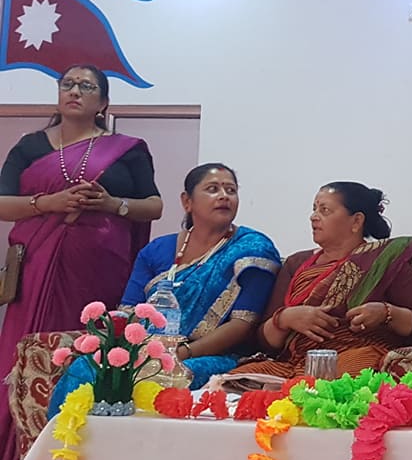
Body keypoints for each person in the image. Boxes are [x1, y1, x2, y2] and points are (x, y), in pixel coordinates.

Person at [0, 65, 163, 460]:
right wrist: (48, 203)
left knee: (90, 352)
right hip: (37, 271)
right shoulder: (29, 146)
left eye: (86, 86)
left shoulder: (127, 150)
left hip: (100, 272)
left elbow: (153, 206)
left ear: (103, 102)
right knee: (28, 353)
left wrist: (111, 205)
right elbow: (2, 204)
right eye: (68, 84)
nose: (74, 91)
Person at [46, 163, 282, 413]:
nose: (224, 196)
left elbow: (242, 325)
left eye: (231, 190)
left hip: (211, 357)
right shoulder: (156, 250)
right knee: (86, 368)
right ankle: (70, 436)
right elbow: (129, 313)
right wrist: (128, 351)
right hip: (148, 351)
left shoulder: (251, 249)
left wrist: (181, 353)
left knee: (166, 375)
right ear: (187, 201)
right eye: (213, 189)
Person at [230, 183, 412, 379]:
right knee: (234, 380)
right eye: (314, 209)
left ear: (356, 221)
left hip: (354, 356)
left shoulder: (383, 262)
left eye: (325, 210)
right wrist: (285, 319)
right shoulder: (296, 263)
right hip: (295, 362)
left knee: (348, 372)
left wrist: (385, 313)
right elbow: (263, 341)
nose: (313, 217)